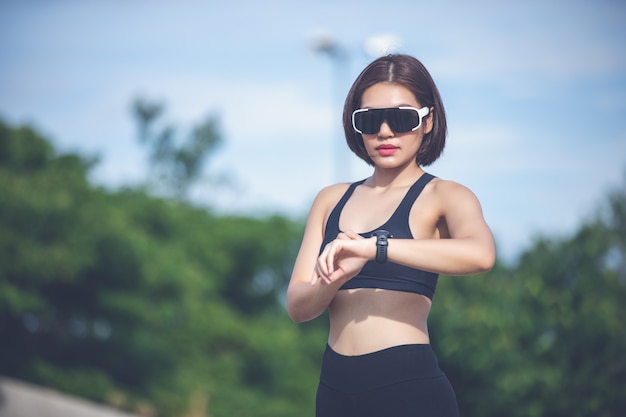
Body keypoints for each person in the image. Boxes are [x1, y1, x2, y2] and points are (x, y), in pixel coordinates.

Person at [286, 53, 496, 417]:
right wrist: (333, 280)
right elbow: (297, 307)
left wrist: (375, 248)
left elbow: (481, 254)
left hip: (409, 389)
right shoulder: (330, 199)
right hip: (334, 391)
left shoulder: (444, 195)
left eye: (401, 118)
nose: (384, 132)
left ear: (427, 121)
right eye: (369, 120)